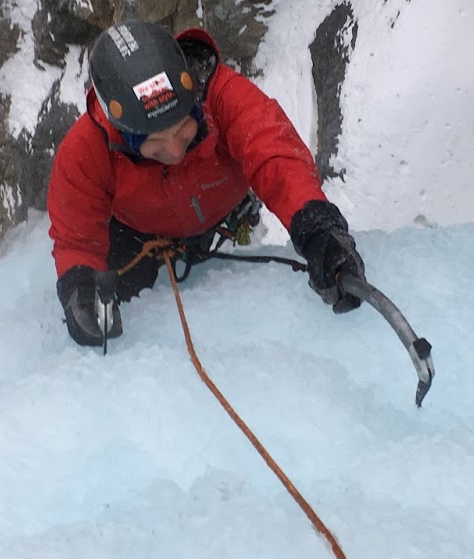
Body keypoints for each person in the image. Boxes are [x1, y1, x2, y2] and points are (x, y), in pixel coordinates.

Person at [47, 20, 366, 347]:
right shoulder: (86, 150)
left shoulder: (221, 95)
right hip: (138, 232)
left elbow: (275, 154)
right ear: (121, 129)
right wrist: (80, 287)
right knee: (122, 292)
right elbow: (76, 235)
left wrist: (317, 230)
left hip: (217, 213)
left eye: (183, 126)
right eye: (155, 141)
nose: (174, 150)